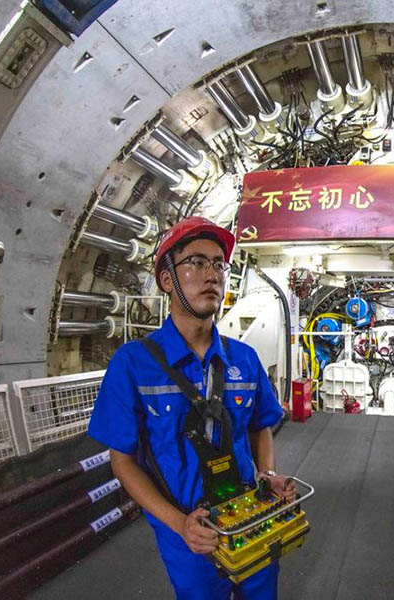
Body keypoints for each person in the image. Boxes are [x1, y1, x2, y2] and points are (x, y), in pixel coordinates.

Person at [88, 216, 295, 600]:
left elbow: (259, 428)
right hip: (189, 535)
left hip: (249, 518)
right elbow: (123, 460)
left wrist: (267, 475)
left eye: (219, 264)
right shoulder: (133, 364)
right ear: (167, 281)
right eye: (197, 263)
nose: (212, 274)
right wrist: (179, 524)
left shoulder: (244, 359)